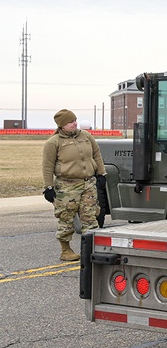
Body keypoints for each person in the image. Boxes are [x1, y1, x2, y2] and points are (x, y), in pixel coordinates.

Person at [41, 109, 108, 261]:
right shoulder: (54, 142)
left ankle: (91, 250)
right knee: (66, 218)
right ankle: (66, 250)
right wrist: (48, 187)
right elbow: (47, 166)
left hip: (88, 184)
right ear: (62, 125)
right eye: (71, 121)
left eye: (75, 120)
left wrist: (101, 174)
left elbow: (96, 154)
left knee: (90, 217)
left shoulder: (86, 136)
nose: (75, 123)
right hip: (67, 186)